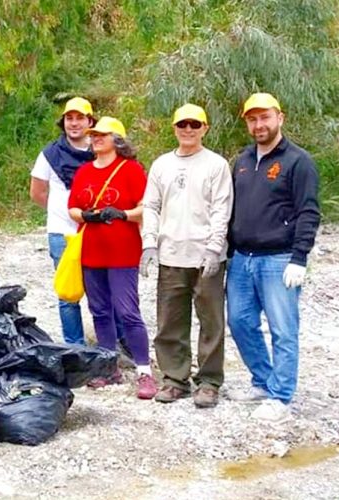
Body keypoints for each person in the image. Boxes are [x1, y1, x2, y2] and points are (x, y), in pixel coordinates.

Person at [225, 93, 320, 423]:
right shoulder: (241, 161)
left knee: (283, 330)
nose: (258, 124)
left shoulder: (297, 161)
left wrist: (300, 257)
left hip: (279, 259)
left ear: (280, 117)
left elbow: (308, 211)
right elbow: (232, 210)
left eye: (264, 117)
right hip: (241, 259)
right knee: (239, 322)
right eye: (252, 119)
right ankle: (264, 381)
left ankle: (281, 397)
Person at [141, 104, 233, 408]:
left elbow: (222, 208)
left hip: (207, 257)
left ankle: (208, 381)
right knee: (170, 321)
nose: (189, 129)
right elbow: (151, 206)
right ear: (175, 128)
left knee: (211, 321)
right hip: (171, 255)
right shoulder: (161, 165)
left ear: (205, 128)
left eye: (195, 124)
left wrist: (213, 247)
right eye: (183, 124)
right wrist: (149, 243)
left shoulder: (216, 165)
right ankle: (174, 378)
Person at [67, 117, 157, 400]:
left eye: (102, 135)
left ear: (117, 139)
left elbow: (145, 207)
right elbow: (72, 207)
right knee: (100, 310)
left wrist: (122, 214)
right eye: (94, 135)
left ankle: (144, 371)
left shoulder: (131, 170)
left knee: (127, 310)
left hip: (122, 251)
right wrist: (87, 216)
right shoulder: (83, 171)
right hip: (91, 250)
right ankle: (108, 367)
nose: (95, 139)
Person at [30, 97, 130, 349]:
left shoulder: (102, 151)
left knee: (108, 288)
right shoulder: (49, 155)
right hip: (62, 232)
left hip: (100, 232)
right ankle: (74, 347)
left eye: (80, 118)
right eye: (69, 118)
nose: (74, 123)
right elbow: (37, 193)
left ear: (90, 122)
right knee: (68, 292)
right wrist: (63, 212)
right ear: (62, 122)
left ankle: (117, 342)